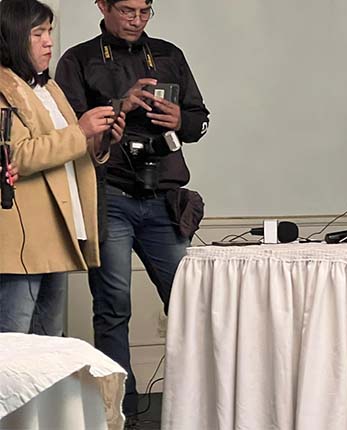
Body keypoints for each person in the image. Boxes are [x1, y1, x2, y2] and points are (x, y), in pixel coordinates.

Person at [55, 0, 210, 416]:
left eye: (145, 11)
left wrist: (180, 120)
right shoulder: (79, 60)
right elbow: (66, 130)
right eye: (127, 10)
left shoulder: (169, 54)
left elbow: (200, 119)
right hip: (110, 195)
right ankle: (119, 409)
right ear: (103, 5)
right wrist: (119, 106)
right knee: (112, 306)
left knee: (189, 302)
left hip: (165, 197)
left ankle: (195, 401)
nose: (136, 20)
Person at [0, 0, 125, 335]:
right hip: (23, 236)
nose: (49, 42)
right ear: (13, 37)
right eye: (38, 33)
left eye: (50, 32)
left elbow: (68, 150)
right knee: (14, 343)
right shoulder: (3, 87)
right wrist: (81, 131)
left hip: (60, 229)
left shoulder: (49, 87)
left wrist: (99, 141)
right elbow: (15, 156)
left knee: (50, 341)